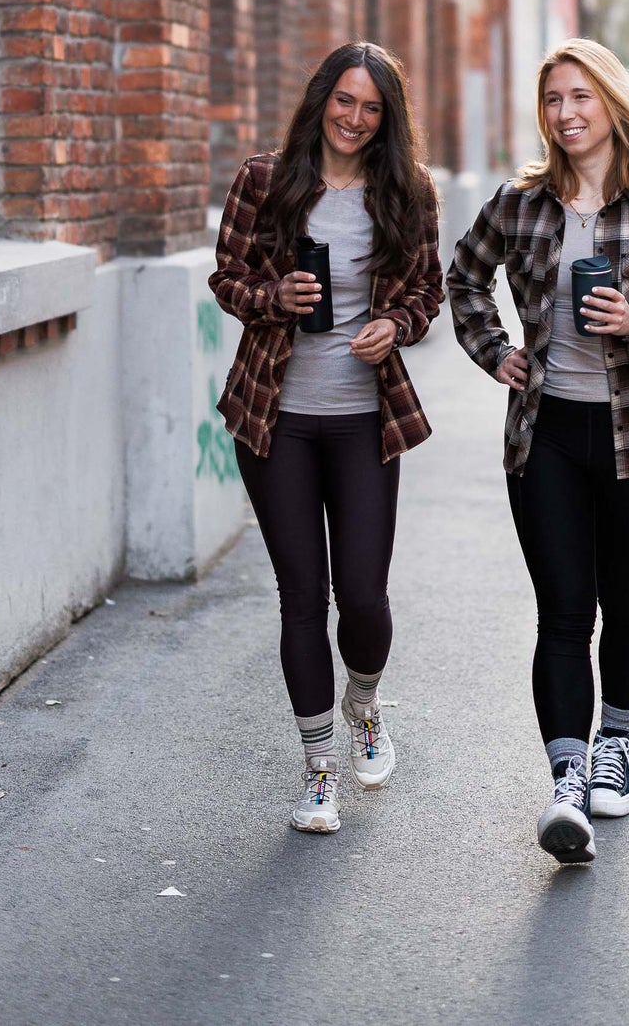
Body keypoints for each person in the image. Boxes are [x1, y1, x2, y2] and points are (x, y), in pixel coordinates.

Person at [447, 39, 629, 865]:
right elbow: (463, 277)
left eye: (580, 96)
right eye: (554, 99)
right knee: (564, 612)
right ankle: (567, 782)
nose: (566, 113)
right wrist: (496, 351)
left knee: (626, 600)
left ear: (611, 102)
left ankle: (615, 745)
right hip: (548, 435)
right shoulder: (521, 204)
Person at [210, 42, 443, 835]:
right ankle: (318, 770)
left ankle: (365, 702)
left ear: (388, 119)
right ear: (321, 100)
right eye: (344, 100)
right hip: (274, 417)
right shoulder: (264, 179)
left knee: (365, 597)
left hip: (363, 421)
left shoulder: (408, 192)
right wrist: (273, 294)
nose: (354, 117)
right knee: (302, 598)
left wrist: (394, 323)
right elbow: (227, 279)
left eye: (371, 107)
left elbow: (427, 293)